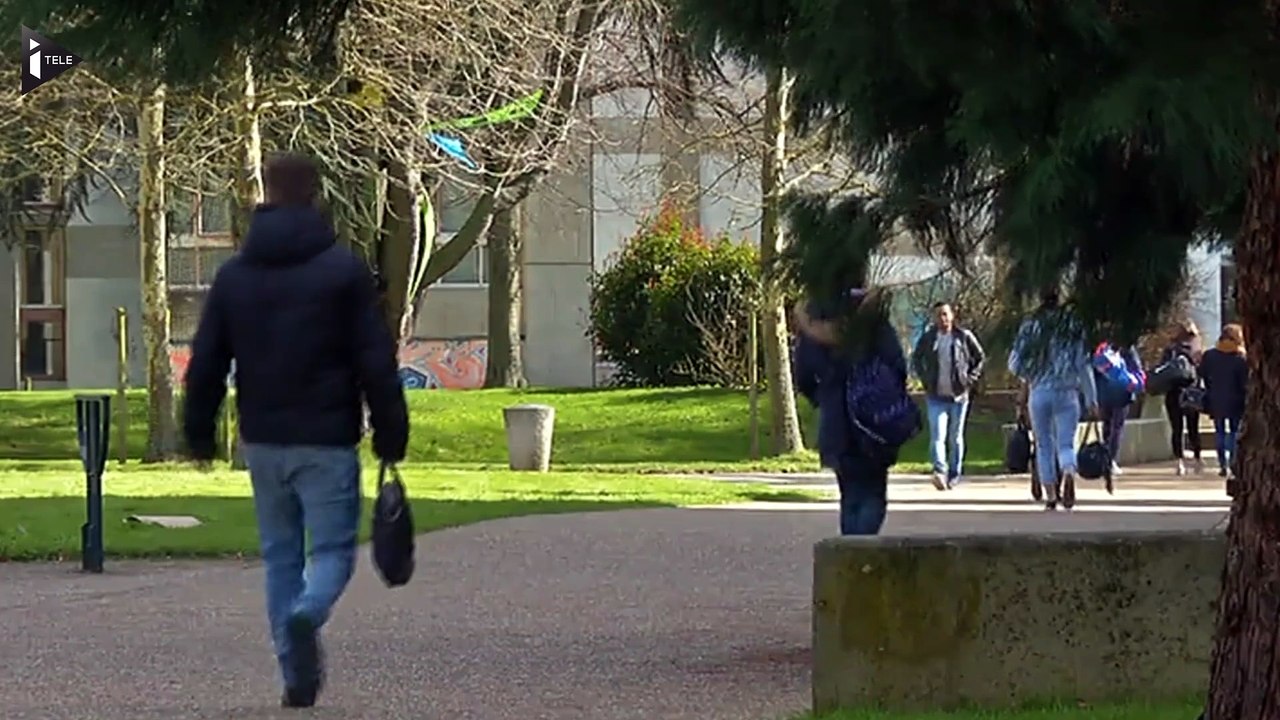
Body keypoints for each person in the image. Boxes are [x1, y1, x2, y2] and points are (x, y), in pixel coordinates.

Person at [182, 152, 409, 709]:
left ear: (267, 195)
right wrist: (390, 429)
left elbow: (207, 358)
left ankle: (293, 671)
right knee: (331, 549)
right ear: (315, 197)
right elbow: (374, 361)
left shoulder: (235, 277)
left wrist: (199, 431)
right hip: (327, 437)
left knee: (280, 556)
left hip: (262, 438)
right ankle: (309, 615)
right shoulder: (344, 274)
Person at [793, 290, 909, 535]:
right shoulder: (874, 325)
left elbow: (803, 377)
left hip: (837, 419)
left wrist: (824, 398)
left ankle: (850, 547)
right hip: (875, 419)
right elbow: (897, 364)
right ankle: (860, 549)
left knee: (850, 494)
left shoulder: (815, 327)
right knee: (873, 492)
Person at [1007, 286, 1098, 511]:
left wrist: (1031, 374)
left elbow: (1015, 363)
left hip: (1040, 391)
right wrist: (1092, 398)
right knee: (1066, 442)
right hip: (1068, 392)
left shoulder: (1031, 327)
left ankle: (1050, 494)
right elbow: (1083, 364)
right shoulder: (1072, 326)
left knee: (1043, 443)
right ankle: (1068, 470)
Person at [910, 301, 986, 490]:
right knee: (938, 435)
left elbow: (980, 358)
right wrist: (926, 380)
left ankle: (954, 473)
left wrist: (970, 379)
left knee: (956, 437)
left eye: (945, 314)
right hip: (936, 396)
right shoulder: (929, 338)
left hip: (959, 396)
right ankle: (940, 471)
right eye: (938, 315)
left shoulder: (963, 336)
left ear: (952, 315)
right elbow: (916, 358)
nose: (942, 319)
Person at [1198, 323, 1247, 478]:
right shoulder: (1240, 358)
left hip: (1216, 397)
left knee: (1219, 431)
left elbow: (1202, 374)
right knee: (1233, 432)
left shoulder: (1210, 355)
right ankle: (1232, 462)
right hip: (1236, 399)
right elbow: (1245, 381)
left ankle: (1222, 464)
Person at [1092, 340, 1144, 476]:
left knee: (1108, 426)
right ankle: (1111, 460)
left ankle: (1106, 460)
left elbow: (1093, 371)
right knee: (1117, 428)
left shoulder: (1100, 348)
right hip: (1122, 392)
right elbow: (1136, 369)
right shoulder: (1126, 348)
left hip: (1104, 393)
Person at [1160, 320, 1204, 476]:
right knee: (1193, 428)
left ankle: (1179, 463)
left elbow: (1162, 370)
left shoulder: (1170, 350)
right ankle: (1197, 459)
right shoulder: (1196, 348)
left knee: (1176, 429)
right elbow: (1201, 370)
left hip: (1173, 392)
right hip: (1192, 392)